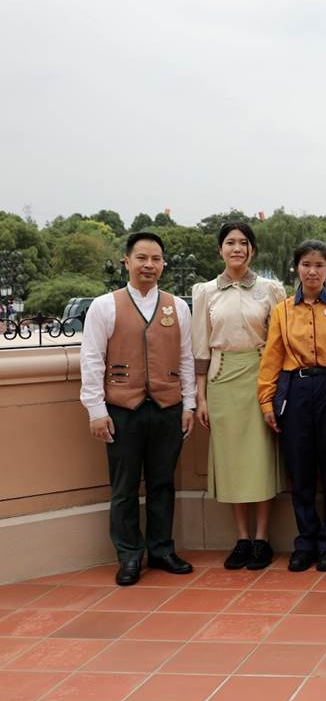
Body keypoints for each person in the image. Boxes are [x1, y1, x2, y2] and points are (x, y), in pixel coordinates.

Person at [79, 231, 196, 586]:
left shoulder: (178, 306)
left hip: (167, 406)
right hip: (122, 409)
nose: (149, 265)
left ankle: (161, 549)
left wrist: (189, 403)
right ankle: (129, 555)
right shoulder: (105, 306)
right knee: (125, 486)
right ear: (126, 261)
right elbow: (91, 359)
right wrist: (96, 410)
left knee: (162, 483)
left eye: (156, 259)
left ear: (163, 264)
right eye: (142, 258)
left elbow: (187, 357)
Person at [192, 221, 287, 571]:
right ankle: (242, 537)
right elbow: (199, 348)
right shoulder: (205, 292)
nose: (237, 249)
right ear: (220, 249)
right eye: (230, 243)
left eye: (243, 243)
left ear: (252, 250)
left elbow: (280, 340)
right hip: (221, 379)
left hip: (260, 378)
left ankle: (263, 538)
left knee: (260, 459)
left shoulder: (270, 289)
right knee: (231, 462)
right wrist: (200, 398)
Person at [257, 240, 326, 573]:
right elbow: (272, 356)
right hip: (295, 390)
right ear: (297, 268)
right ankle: (305, 540)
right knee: (300, 468)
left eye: (319, 265)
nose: (313, 271)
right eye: (306, 265)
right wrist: (266, 399)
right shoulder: (282, 310)